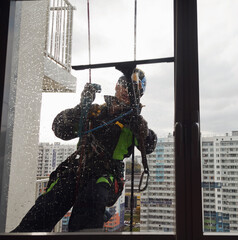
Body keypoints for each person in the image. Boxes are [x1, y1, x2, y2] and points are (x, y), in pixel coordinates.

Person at [12, 69, 157, 232]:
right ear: (117, 86)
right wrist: (81, 109)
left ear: (139, 96)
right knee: (47, 206)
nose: (127, 91)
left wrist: (144, 131)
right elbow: (59, 128)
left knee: (92, 199)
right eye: (124, 85)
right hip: (77, 169)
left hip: (106, 175)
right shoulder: (95, 112)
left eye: (134, 90)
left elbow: (150, 146)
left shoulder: (134, 123)